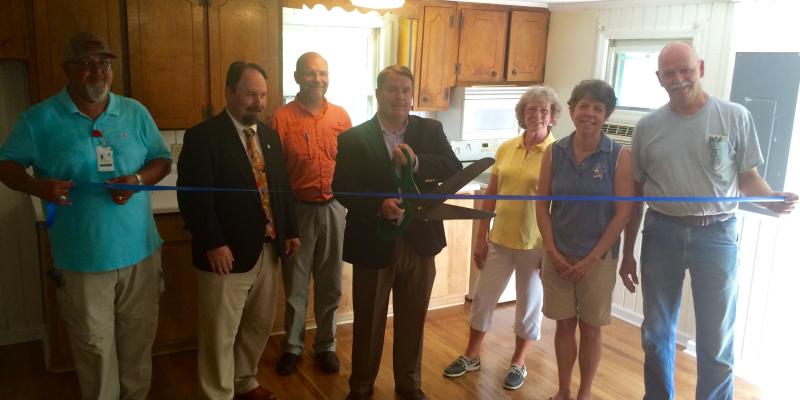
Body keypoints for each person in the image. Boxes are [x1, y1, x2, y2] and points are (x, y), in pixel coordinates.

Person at [619, 42, 798, 400]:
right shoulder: (648, 127)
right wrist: (627, 254)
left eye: (684, 69)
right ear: (659, 79)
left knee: (716, 342)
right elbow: (635, 197)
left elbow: (748, 178)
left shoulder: (734, 116)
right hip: (661, 233)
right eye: (669, 73)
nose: (678, 78)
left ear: (699, 68)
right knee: (656, 333)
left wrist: (771, 199)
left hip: (717, 236)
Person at [0, 32, 171, 399]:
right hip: (81, 260)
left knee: (138, 342)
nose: (98, 72)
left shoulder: (134, 111)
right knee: (95, 349)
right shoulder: (39, 119)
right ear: (67, 70)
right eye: (87, 64)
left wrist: (138, 180)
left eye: (104, 64)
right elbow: (6, 165)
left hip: (141, 252)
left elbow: (161, 160)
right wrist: (38, 187)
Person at [332, 65, 461, 400]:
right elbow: (343, 187)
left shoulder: (430, 130)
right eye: (392, 89)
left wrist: (417, 162)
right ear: (378, 94)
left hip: (420, 240)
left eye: (406, 90)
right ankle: (361, 386)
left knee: (413, 317)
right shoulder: (353, 137)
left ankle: (408, 383)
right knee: (368, 321)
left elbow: (453, 168)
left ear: (412, 95)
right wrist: (378, 205)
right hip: (373, 241)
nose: (400, 97)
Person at [177, 61, 300, 400]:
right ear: (229, 92)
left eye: (262, 95)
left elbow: (281, 189)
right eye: (250, 94)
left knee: (258, 326)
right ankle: (218, 394)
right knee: (220, 334)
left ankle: (244, 381)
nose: (258, 103)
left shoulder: (270, 137)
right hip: (225, 255)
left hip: (268, 250)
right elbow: (193, 199)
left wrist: (290, 230)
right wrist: (213, 243)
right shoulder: (203, 137)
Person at [442, 86, 560, 390]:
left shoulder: (556, 154)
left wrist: (551, 250)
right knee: (482, 299)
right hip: (500, 239)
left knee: (529, 306)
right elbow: (491, 195)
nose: (537, 115)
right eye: (531, 109)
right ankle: (472, 355)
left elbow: (558, 207)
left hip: (534, 244)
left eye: (543, 110)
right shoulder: (506, 148)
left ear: (552, 117)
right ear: (522, 114)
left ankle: (518, 362)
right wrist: (482, 236)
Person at [536, 80, 633, 400]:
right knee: (564, 327)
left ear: (607, 115)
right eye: (583, 106)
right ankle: (563, 391)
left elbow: (623, 214)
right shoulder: (554, 152)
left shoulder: (620, 157)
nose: (589, 113)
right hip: (558, 256)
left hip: (598, 261)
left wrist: (591, 259)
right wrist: (551, 251)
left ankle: (585, 393)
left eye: (598, 108)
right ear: (572, 110)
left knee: (590, 329)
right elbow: (541, 205)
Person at [270, 52, 352, 375]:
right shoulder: (280, 119)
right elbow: (275, 174)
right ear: (296, 77)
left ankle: (326, 345)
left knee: (331, 283)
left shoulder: (341, 118)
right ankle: (292, 346)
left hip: (335, 209)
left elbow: (352, 165)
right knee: (296, 286)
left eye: (322, 73)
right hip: (297, 212)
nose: (317, 79)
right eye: (309, 73)